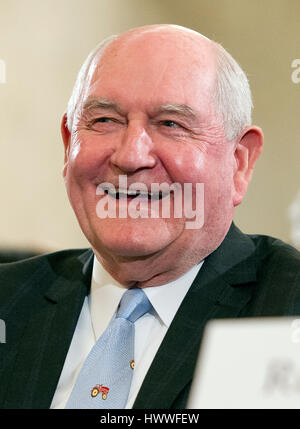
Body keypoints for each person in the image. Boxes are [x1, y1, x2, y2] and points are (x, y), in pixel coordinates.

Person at [0, 24, 300, 410]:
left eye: (171, 124)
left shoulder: (286, 310)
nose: (130, 156)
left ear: (238, 163)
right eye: (105, 120)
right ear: (67, 144)